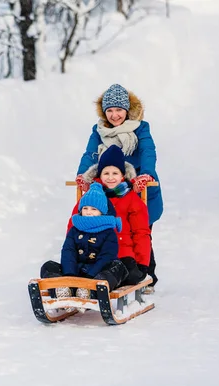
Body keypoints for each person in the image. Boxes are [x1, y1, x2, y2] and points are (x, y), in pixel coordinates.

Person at [75, 83, 163, 291]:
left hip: (139, 187)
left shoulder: (141, 128)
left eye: (119, 110)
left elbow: (148, 150)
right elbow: (90, 154)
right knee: (109, 229)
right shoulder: (99, 131)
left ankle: (146, 272)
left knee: (139, 231)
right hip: (110, 187)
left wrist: (145, 174)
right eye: (110, 111)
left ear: (127, 110)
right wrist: (83, 174)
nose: (115, 115)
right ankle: (110, 270)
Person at [69, 145, 151, 288]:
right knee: (77, 267)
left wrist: (142, 263)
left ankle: (98, 287)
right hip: (92, 253)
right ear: (99, 175)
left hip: (122, 254)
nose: (111, 178)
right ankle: (69, 286)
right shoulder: (91, 197)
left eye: (115, 173)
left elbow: (141, 232)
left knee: (121, 270)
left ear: (123, 175)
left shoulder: (131, 199)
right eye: (106, 173)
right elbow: (74, 226)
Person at [40, 183, 129, 300]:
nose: (88, 212)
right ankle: (62, 289)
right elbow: (68, 251)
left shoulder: (108, 232)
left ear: (102, 212)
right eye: (85, 208)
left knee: (117, 267)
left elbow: (107, 256)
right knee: (48, 266)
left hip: (97, 274)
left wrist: (90, 276)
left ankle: (90, 292)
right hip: (76, 271)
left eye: (94, 209)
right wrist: (69, 275)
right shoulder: (75, 229)